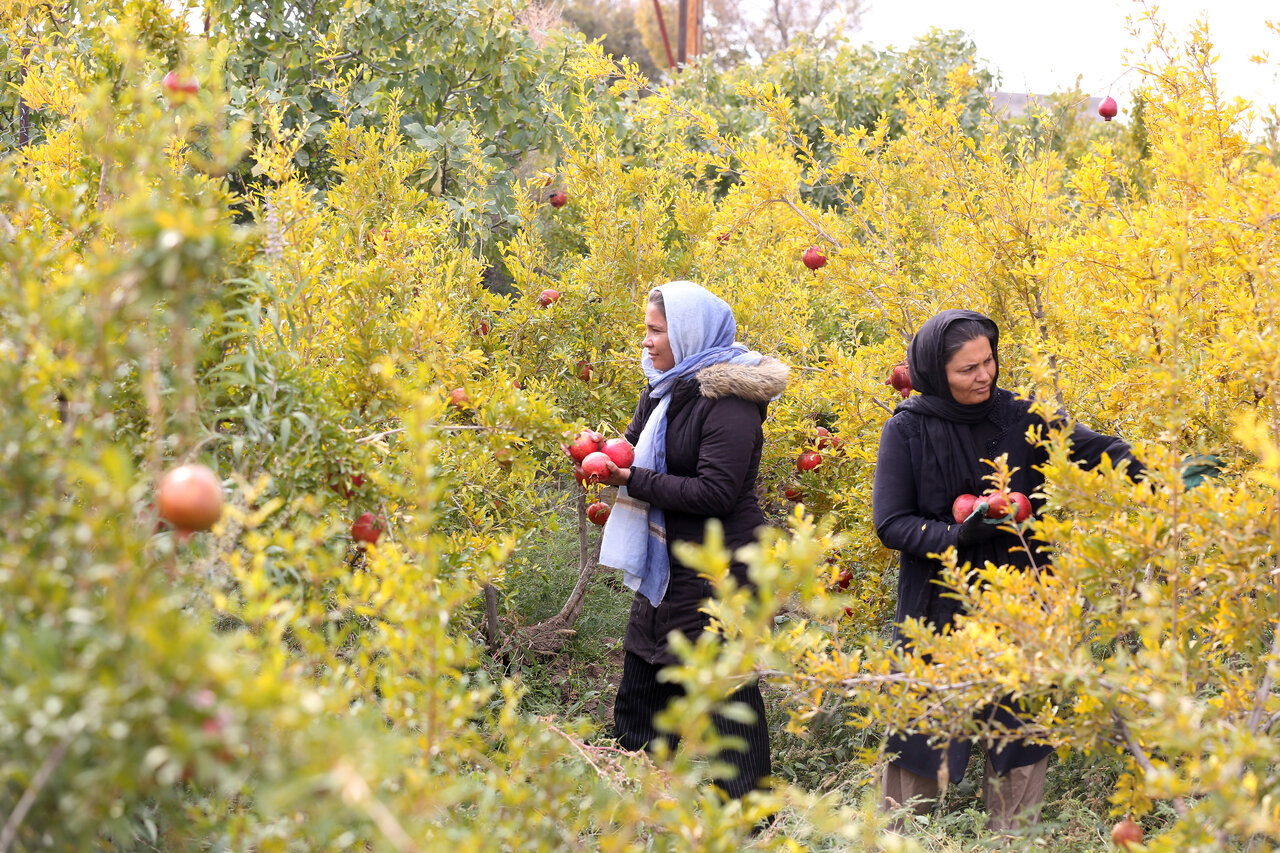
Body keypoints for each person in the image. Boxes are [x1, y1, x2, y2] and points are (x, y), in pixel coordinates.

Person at [871, 308, 1143, 830]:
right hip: (937, 608)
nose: (984, 376)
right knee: (920, 744)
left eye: (988, 361)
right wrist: (956, 536)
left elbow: (1097, 451)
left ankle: (1015, 841)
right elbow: (892, 523)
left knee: (1019, 738)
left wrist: (1167, 473)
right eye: (967, 369)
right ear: (934, 372)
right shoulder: (907, 429)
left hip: (1018, 605)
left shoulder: (1024, 416)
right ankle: (898, 840)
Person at [581, 280, 789, 800]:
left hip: (721, 568)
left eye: (656, 331)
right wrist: (599, 453)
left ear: (688, 333)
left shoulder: (731, 399)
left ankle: (747, 818)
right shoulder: (665, 388)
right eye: (646, 331)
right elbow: (632, 449)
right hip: (666, 562)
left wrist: (629, 481)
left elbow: (716, 493)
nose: (646, 342)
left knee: (725, 699)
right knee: (643, 678)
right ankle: (635, 801)